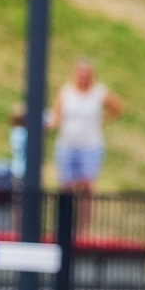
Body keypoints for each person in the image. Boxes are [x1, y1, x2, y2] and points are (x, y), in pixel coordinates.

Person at [49, 58, 123, 195]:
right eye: (80, 73)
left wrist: (103, 120)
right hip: (67, 145)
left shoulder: (98, 92)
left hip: (90, 146)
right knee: (66, 186)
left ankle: (84, 217)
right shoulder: (66, 92)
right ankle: (67, 215)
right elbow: (56, 116)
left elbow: (117, 107)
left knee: (87, 187)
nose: (83, 77)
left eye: (86, 74)